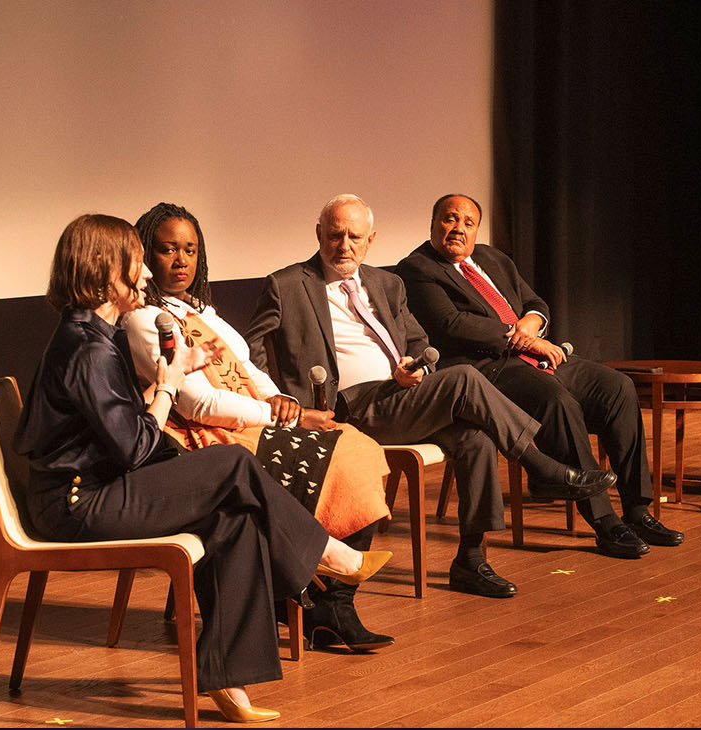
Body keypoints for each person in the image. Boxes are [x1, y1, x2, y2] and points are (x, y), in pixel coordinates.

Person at [13, 213, 390, 723]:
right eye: (137, 263)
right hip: (78, 504)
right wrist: (168, 383)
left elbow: (125, 434)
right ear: (106, 272)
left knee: (233, 519)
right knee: (233, 462)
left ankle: (227, 679)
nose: (147, 274)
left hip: (99, 489)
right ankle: (326, 556)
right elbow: (136, 448)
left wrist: (164, 384)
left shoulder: (93, 337)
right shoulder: (85, 347)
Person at [245, 194, 615, 599]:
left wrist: (416, 365)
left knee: (476, 438)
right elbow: (250, 350)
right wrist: (280, 399)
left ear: (371, 239)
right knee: (464, 379)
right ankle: (541, 465)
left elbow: (418, 340)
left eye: (354, 236)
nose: (344, 246)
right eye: (335, 236)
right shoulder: (287, 284)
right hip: (345, 408)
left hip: (400, 396)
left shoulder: (387, 283)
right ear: (319, 234)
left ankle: (470, 560)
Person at [120, 201, 395, 653]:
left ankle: (332, 604)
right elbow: (199, 402)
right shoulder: (146, 319)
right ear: (146, 255)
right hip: (203, 436)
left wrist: (278, 399)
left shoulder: (201, 310)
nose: (182, 260)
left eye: (190, 249)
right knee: (342, 454)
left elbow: (249, 367)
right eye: (168, 250)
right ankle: (308, 595)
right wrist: (279, 415)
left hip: (250, 419)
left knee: (358, 447)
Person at [396, 194, 684, 558]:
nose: (458, 229)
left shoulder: (492, 258)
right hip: (487, 368)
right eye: (450, 219)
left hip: (535, 355)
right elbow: (452, 326)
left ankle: (638, 510)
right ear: (434, 221)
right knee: (557, 402)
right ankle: (606, 522)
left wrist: (532, 325)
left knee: (618, 388)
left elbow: (536, 304)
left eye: (468, 223)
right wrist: (521, 340)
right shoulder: (418, 268)